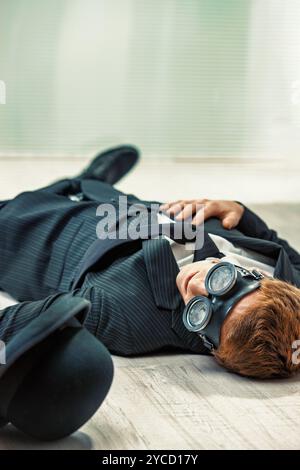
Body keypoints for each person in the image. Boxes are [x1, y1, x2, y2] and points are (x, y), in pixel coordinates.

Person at [0, 145, 299, 439]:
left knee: (19, 209)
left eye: (201, 313)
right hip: (121, 206)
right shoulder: (288, 276)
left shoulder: (124, 317)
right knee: (85, 188)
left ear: (212, 349)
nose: (193, 286)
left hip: (51, 234)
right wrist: (240, 212)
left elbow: (39, 320)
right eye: (223, 282)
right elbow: (278, 245)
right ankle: (88, 181)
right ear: (263, 277)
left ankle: (67, 189)